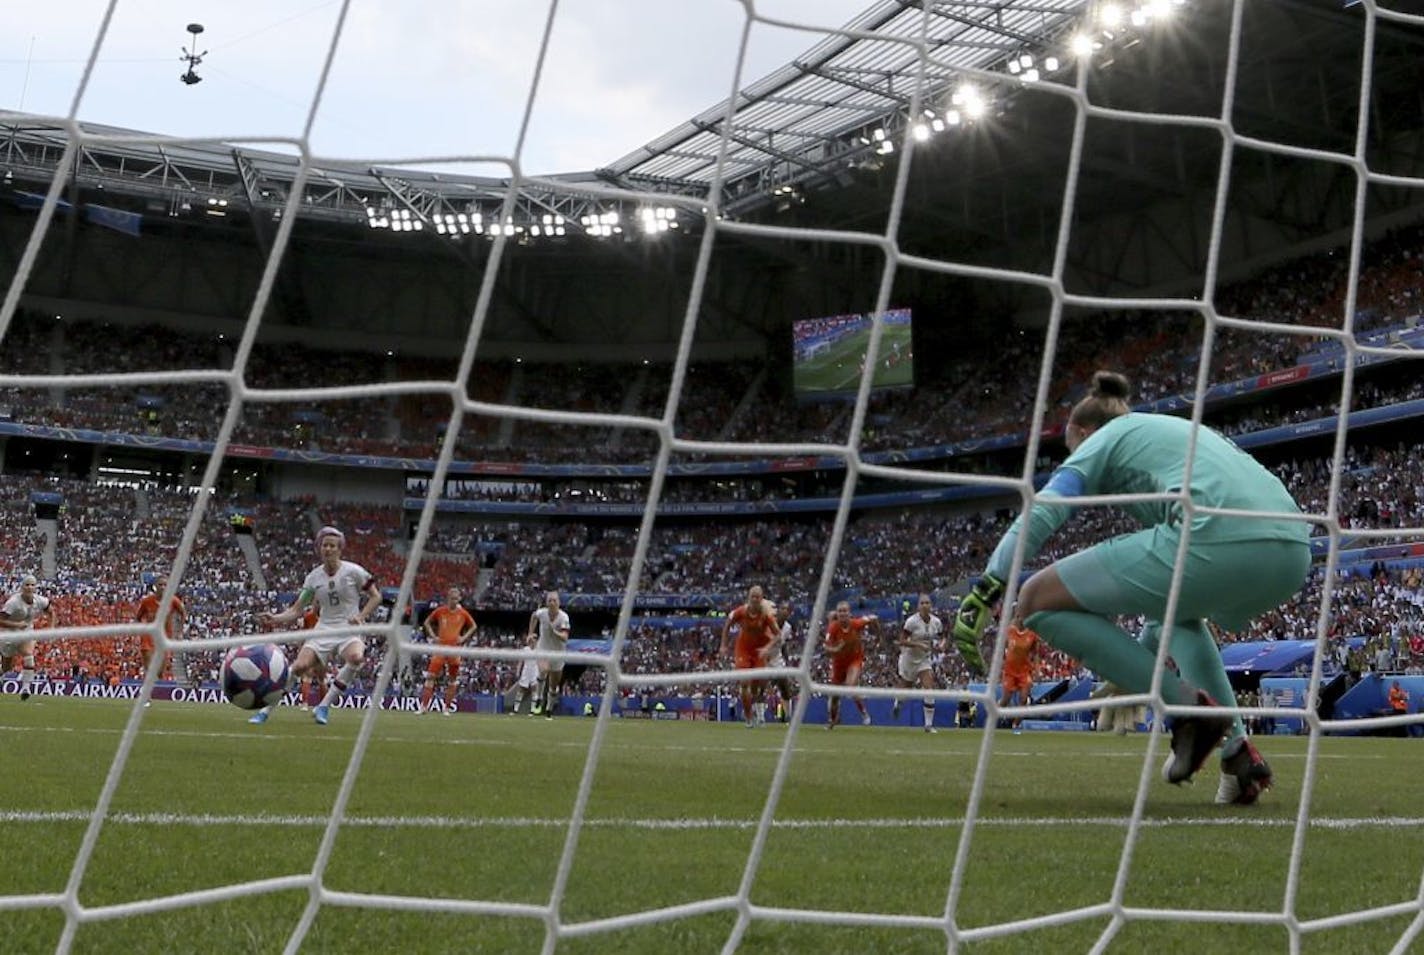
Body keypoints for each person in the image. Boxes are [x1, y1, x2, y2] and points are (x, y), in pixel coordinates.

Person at [954, 371, 1311, 805]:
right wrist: (1136, 668)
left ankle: (1186, 711)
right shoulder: (1167, 440)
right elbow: (1162, 612)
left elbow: (1047, 507)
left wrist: (991, 582)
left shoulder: (1108, 436)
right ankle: (1239, 756)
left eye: (1069, 445)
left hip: (1218, 536)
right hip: (1292, 552)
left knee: (1033, 600)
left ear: (1081, 432)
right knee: (1177, 618)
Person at [252, 526, 382, 726]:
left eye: (332, 545)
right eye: (324, 545)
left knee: (356, 658)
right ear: (319, 549)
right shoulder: (313, 578)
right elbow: (297, 610)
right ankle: (265, 710)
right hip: (323, 629)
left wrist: (361, 616)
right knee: (299, 667)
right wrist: (275, 618)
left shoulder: (354, 571)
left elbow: (376, 596)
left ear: (340, 549)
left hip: (348, 629)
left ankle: (323, 706)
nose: (328, 549)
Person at [719, 585, 780, 728]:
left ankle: (759, 714)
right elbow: (727, 625)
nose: (755, 599)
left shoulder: (766, 615)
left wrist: (767, 648)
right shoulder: (741, 611)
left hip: (759, 651)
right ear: (749, 598)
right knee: (744, 683)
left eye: (758, 597)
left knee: (758, 686)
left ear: (761, 599)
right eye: (752, 596)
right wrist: (723, 645)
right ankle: (748, 717)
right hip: (743, 650)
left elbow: (778, 635)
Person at [419, 586, 476, 715]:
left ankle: (446, 708)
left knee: (452, 679)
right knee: (431, 676)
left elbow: (473, 626)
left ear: (459, 599)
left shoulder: (463, 613)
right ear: (448, 599)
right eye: (451, 598)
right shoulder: (440, 611)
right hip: (440, 648)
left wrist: (463, 638)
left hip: (454, 650)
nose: (454, 601)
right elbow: (427, 622)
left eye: (456, 599)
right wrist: (433, 636)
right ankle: (424, 707)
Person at [823, 601, 880, 729]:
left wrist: (878, 635)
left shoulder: (856, 624)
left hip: (854, 659)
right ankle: (832, 721)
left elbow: (873, 618)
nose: (843, 613)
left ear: (850, 613)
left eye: (845, 611)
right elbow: (826, 647)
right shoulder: (833, 628)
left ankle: (864, 713)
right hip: (838, 663)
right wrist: (836, 649)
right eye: (840, 611)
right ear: (837, 614)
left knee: (850, 685)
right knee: (835, 697)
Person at [891, 594, 943, 733]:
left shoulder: (936, 622)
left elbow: (943, 637)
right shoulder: (912, 622)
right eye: (922, 603)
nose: (925, 605)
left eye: (927, 603)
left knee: (929, 687)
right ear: (918, 606)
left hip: (924, 660)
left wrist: (942, 645)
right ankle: (898, 701)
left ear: (931, 605)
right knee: (906, 688)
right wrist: (918, 644)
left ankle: (928, 725)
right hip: (909, 659)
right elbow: (901, 640)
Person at [1, 575, 53, 701]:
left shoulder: (40, 600)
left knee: (29, 655)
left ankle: (26, 688)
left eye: (32, 585)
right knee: (7, 666)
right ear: (22, 587)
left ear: (36, 587)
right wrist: (17, 624)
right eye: (27, 585)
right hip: (9, 634)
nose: (30, 587)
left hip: (27, 632)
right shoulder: (13, 603)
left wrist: (51, 628)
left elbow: (51, 611)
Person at [134, 577, 186, 696]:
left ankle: (155, 687)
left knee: (160, 672)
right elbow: (138, 617)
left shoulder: (173, 601)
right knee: (147, 661)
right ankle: (146, 693)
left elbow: (182, 612)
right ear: (155, 586)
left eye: (165, 585)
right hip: (148, 635)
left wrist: (180, 631)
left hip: (163, 637)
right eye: (160, 584)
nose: (163, 587)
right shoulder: (147, 601)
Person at [528, 591, 571, 720]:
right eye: (549, 600)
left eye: (554, 600)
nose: (552, 603)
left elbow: (565, 637)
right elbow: (533, 616)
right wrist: (530, 633)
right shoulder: (542, 613)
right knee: (543, 669)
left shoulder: (564, 618)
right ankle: (539, 698)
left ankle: (549, 710)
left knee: (553, 685)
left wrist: (555, 632)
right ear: (546, 603)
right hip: (543, 649)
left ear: (559, 603)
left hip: (558, 653)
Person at [999, 623, 1041, 734]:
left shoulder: (1032, 634)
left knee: (1023, 699)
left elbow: (1036, 653)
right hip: (1010, 671)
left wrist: (1037, 670)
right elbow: (1002, 647)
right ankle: (993, 719)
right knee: (1005, 700)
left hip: (1024, 671)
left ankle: (1015, 725)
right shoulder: (1010, 631)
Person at [509, 634, 541, 716]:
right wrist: (518, 671)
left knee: (534, 690)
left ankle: (532, 711)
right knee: (520, 690)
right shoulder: (525, 649)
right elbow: (521, 661)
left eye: (536, 638)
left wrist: (540, 673)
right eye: (533, 638)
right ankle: (515, 710)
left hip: (534, 671)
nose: (534, 640)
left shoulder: (538, 650)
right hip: (526, 671)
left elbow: (541, 662)